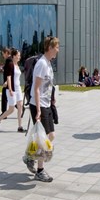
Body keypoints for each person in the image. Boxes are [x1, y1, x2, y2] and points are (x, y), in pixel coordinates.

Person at [23, 36, 59, 182]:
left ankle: (29, 157)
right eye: (56, 47)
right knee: (44, 137)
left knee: (50, 136)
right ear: (50, 48)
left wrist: (52, 98)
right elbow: (36, 89)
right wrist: (38, 110)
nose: (58, 50)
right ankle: (40, 170)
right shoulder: (42, 64)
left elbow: (47, 85)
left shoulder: (49, 64)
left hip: (46, 104)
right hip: (38, 105)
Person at [0, 48, 24, 132]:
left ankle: (20, 127)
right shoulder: (10, 64)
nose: (20, 57)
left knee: (20, 106)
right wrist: (10, 89)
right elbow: (8, 77)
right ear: (14, 56)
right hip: (12, 88)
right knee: (11, 109)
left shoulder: (17, 65)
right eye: (18, 55)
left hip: (18, 88)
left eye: (19, 55)